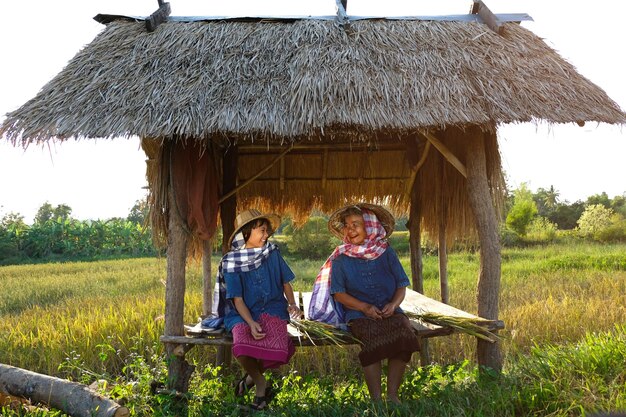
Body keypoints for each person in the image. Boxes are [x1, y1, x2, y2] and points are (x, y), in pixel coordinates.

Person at [309, 203, 420, 404]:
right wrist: (364, 308)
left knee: (405, 333)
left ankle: (393, 396)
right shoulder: (341, 258)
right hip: (358, 314)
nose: (350, 230)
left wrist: (394, 305)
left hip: (390, 310)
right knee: (370, 337)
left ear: (369, 227)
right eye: (347, 225)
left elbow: (401, 284)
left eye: (356, 224)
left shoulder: (386, 252)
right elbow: (339, 294)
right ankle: (376, 400)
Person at [216, 208, 301, 411]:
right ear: (246, 233)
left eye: (266, 231)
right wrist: (251, 322)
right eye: (261, 230)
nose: (266, 235)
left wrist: (291, 303)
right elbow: (237, 299)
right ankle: (260, 382)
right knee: (241, 339)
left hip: (273, 308)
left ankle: (248, 381)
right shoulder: (231, 262)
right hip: (241, 312)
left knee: (277, 344)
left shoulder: (272, 253)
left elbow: (285, 282)